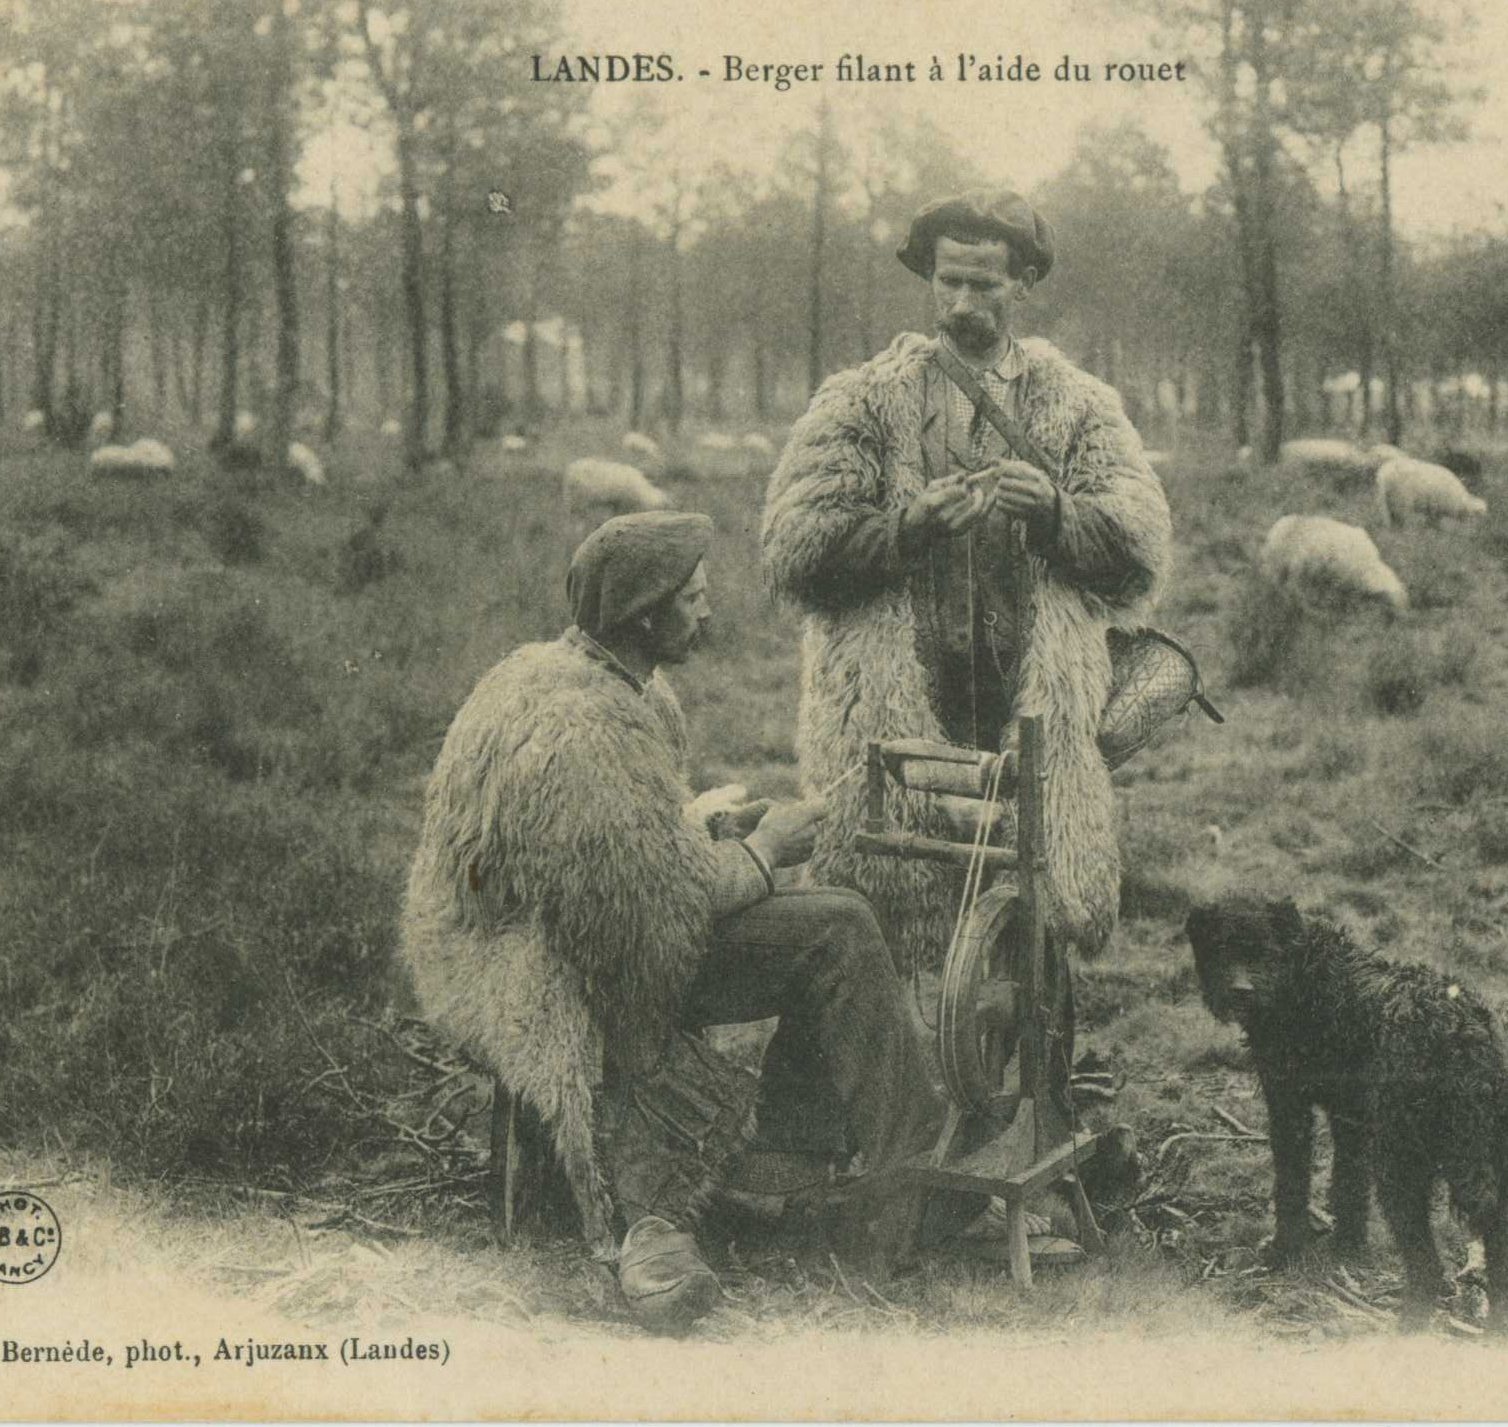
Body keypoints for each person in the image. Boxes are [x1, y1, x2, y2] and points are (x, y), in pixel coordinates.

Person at [400, 512, 947, 1335]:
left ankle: (790, 1157)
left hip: (554, 930)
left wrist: (702, 827)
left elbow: (626, 852)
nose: (709, 611)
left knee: (824, 924)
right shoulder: (582, 729)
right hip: (546, 967)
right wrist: (765, 851)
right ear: (646, 613)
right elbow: (649, 913)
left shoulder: (598, 681)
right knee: (838, 926)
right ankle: (913, 1183)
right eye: (693, 598)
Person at [760, 188, 1174, 973]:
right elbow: (796, 548)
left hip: (1029, 699)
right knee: (889, 907)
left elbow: (1139, 553)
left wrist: (1057, 514)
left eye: (983, 284)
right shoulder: (863, 401)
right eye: (947, 280)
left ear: (1023, 284)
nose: (961, 301)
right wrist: (904, 530)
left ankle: (1043, 1072)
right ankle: (906, 1076)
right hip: (895, 702)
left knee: (1036, 902)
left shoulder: (1078, 408)